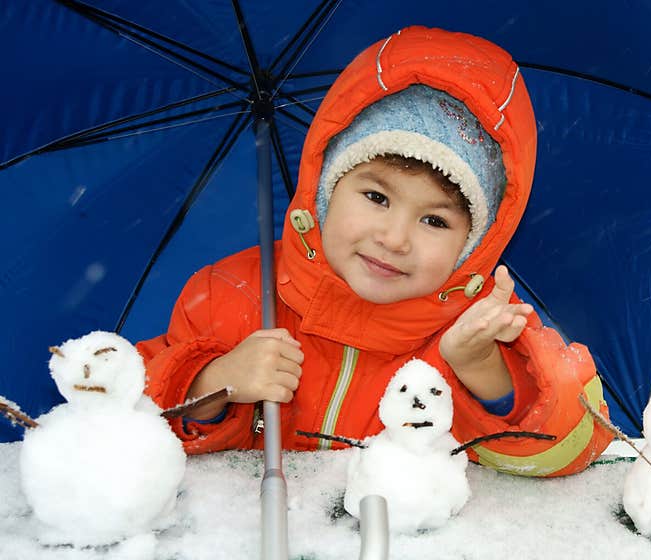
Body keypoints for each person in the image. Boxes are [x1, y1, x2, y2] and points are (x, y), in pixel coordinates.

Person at [136, 25, 613, 477]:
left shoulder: (481, 325)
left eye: (434, 220)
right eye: (377, 198)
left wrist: (480, 368)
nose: (395, 238)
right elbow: (124, 411)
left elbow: (571, 448)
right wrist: (212, 383)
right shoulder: (230, 296)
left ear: (474, 244)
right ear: (323, 190)